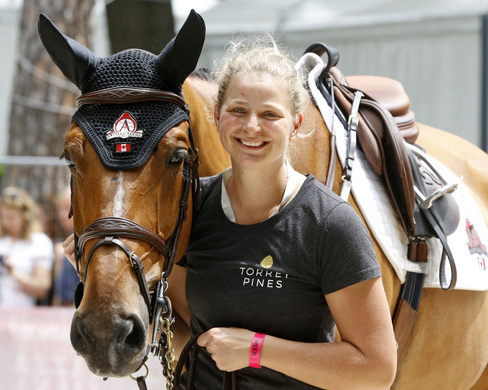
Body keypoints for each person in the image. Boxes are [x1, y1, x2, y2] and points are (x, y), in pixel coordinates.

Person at [65, 35, 397, 389]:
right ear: (216, 117)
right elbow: (185, 335)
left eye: (269, 114)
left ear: (296, 123)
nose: (251, 126)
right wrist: (105, 274)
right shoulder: (192, 209)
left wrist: (256, 351)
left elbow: (376, 369)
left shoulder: (329, 223)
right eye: (238, 110)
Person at [0, 186, 53, 308]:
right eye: (3, 216)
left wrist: (14, 273)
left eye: (12, 217)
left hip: (20, 313)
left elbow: (42, 288)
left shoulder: (40, 241)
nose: (6, 222)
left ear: (25, 216)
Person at [51, 189, 80, 307]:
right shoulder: (60, 247)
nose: (62, 215)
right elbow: (58, 295)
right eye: (60, 208)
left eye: (68, 208)